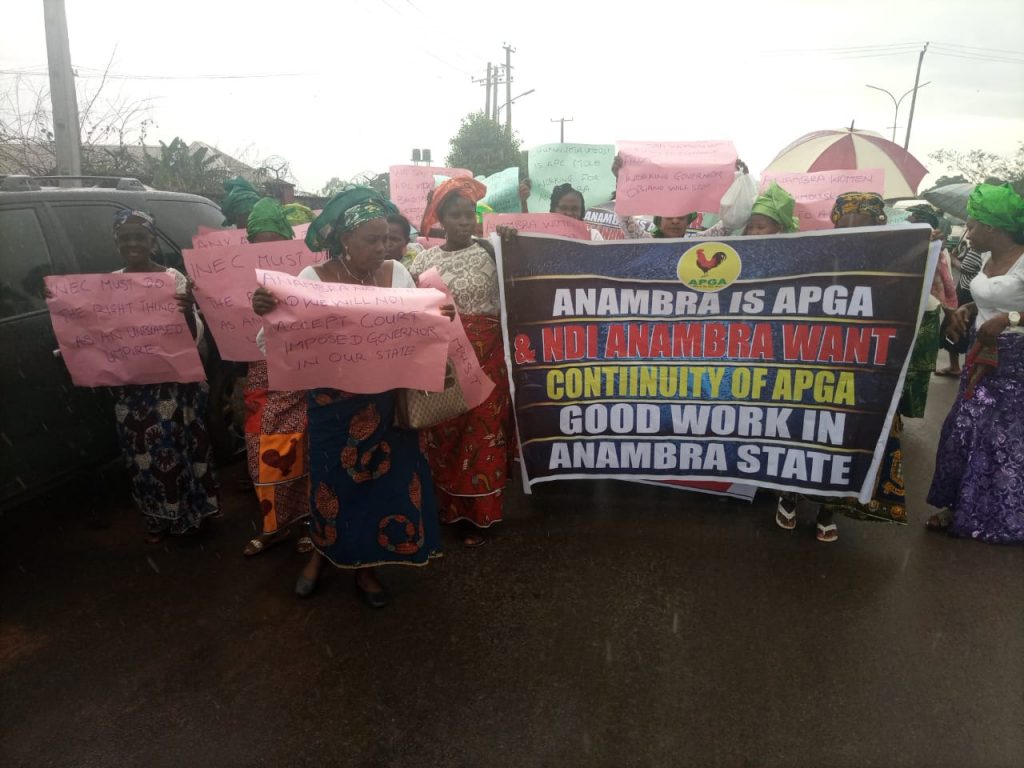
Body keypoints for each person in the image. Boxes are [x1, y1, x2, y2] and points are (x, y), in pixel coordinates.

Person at [252, 185, 447, 605]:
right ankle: (323, 554)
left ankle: (366, 569)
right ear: (344, 240)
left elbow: (416, 333)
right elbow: (275, 345)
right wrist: (269, 313)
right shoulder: (311, 280)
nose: (383, 247)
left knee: (381, 487)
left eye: (386, 238)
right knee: (331, 485)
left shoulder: (397, 274)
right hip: (332, 408)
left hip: (386, 405)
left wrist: (439, 319)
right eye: (371, 240)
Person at [777, 193, 902, 541]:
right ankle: (788, 495)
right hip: (810, 358)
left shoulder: (896, 260)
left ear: (878, 226)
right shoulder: (813, 254)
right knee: (801, 428)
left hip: (861, 365)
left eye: (860, 226)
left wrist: (924, 251)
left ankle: (827, 508)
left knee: (844, 436)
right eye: (844, 224)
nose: (851, 233)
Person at [410, 177, 515, 547]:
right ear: (441, 219)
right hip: (443, 362)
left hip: (487, 359)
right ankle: (449, 510)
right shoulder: (423, 261)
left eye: (469, 214)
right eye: (455, 215)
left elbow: (520, 283)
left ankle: (480, 515)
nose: (464, 221)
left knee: (484, 431)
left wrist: (513, 242)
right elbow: (409, 309)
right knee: (446, 432)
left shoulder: (492, 251)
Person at [109, 209, 220, 542]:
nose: (133, 243)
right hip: (133, 390)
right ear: (116, 242)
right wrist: (63, 307)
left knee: (178, 449)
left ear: (153, 241)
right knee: (142, 456)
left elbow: (193, 338)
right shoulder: (111, 284)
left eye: (140, 237)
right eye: (125, 237)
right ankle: (156, 516)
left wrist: (186, 312)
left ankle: (190, 513)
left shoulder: (173, 280)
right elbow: (103, 332)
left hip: (174, 388)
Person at [925, 183, 1024, 544]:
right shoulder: (985, 259)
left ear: (994, 227)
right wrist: (967, 310)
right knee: (964, 430)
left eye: (972, 225)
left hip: (1014, 364)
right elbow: (986, 300)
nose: (967, 232)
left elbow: (1008, 310)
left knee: (1003, 441)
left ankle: (1001, 517)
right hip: (980, 355)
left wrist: (1011, 319)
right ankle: (957, 506)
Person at [241, 199, 312, 557]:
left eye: (275, 241)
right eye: (259, 241)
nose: (267, 249)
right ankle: (274, 525)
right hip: (258, 377)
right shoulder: (233, 277)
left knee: (297, 449)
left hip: (295, 375)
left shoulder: (305, 277)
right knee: (259, 452)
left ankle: (306, 524)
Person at [898, 204, 958, 417]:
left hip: (925, 312)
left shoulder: (938, 250)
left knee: (914, 367)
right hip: (905, 311)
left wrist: (952, 317)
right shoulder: (899, 246)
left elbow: (948, 284)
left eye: (913, 219)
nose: (908, 222)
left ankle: (899, 416)